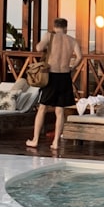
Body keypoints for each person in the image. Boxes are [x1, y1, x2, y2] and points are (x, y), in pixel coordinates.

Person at [26, 18, 82, 151]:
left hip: (51, 75)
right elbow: (80, 57)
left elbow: (39, 47)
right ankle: (56, 142)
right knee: (60, 110)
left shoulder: (50, 36)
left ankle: (35, 140)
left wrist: (47, 44)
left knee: (42, 108)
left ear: (54, 26)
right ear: (66, 27)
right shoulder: (72, 40)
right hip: (65, 75)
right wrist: (72, 68)